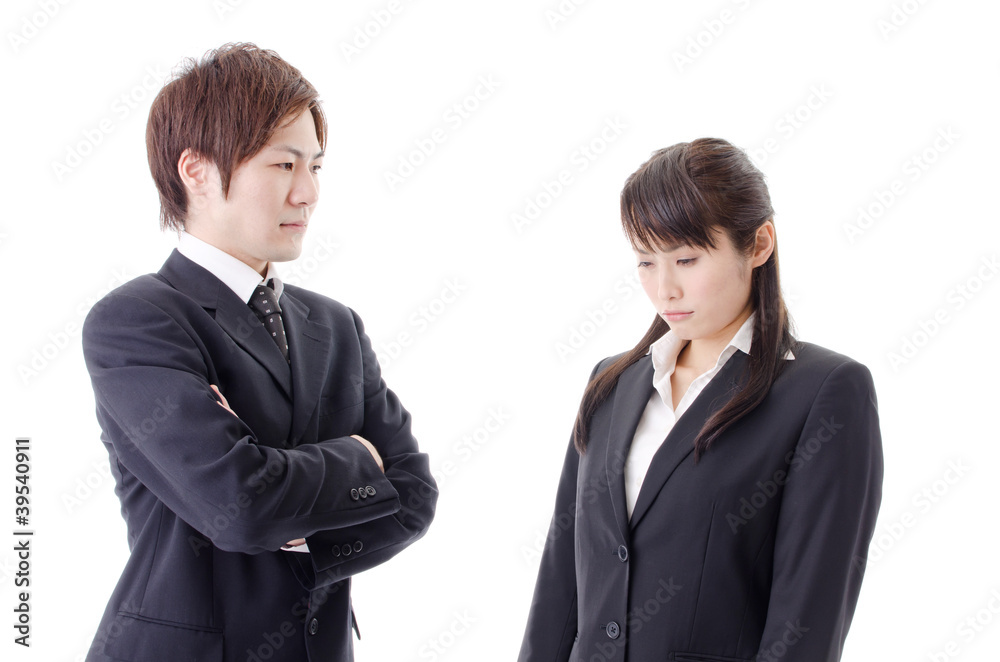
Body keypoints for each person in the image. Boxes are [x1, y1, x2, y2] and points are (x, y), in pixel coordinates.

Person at [81, 43, 437, 662]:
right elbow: (239, 505)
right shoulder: (137, 320)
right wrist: (360, 458)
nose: (308, 193)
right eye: (283, 164)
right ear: (196, 171)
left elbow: (414, 494)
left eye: (316, 167)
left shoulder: (335, 325)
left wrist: (304, 532)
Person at [518, 138, 883, 662]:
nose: (664, 289)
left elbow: (807, 620)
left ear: (759, 245)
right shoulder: (610, 383)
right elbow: (560, 582)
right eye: (646, 262)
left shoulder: (824, 391)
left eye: (686, 259)